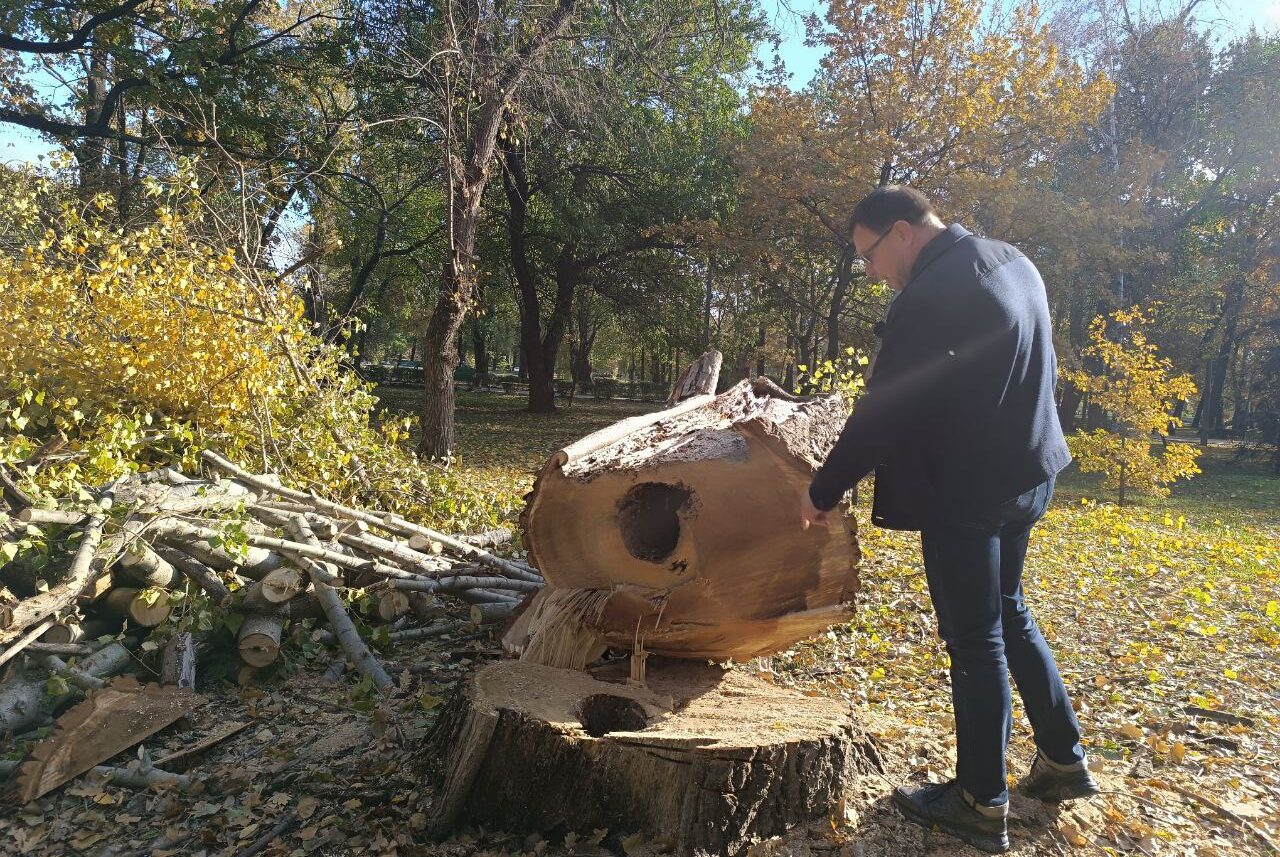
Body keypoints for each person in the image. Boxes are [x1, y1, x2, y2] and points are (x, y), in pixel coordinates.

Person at [799, 186, 1098, 854]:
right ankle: (1063, 760)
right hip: (1029, 471)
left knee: (975, 637)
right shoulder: (1013, 260)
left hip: (970, 490)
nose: (872, 274)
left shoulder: (932, 297)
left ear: (902, 231)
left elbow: (882, 411)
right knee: (1009, 610)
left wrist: (822, 490)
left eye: (869, 256)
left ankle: (978, 799)